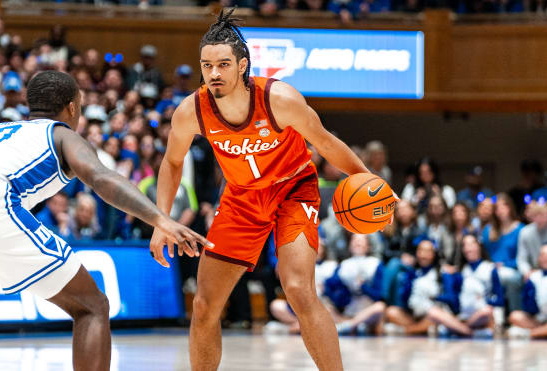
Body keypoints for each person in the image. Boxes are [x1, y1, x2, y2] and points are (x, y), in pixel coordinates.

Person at [0, 71, 211, 371]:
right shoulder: (61, 134)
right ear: (72, 107)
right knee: (92, 307)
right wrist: (160, 218)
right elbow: (100, 177)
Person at [150, 9, 381, 370]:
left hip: (293, 190)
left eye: (223, 64)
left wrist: (370, 182)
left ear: (242, 65)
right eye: (206, 65)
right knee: (205, 305)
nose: (213, 74)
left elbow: (326, 143)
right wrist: (161, 220)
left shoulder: (280, 99)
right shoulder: (190, 111)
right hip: (242, 198)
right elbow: (172, 162)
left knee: (299, 290)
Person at [426, 234, 504, 338]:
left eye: (471, 244)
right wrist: (447, 279)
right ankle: (469, 332)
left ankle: (457, 329)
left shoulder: (490, 268)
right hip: (464, 315)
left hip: (481, 314)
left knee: (486, 311)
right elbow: (454, 300)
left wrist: (484, 300)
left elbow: (500, 300)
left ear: (479, 246)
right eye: (465, 245)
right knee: (433, 312)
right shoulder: (461, 271)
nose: (468, 248)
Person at [507, 244, 547, 339]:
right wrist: (532, 302)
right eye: (543, 256)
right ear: (539, 258)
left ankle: (531, 333)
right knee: (514, 316)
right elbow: (527, 306)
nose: (546, 259)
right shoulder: (533, 277)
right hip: (538, 318)